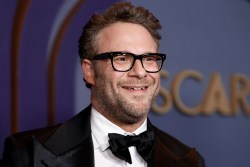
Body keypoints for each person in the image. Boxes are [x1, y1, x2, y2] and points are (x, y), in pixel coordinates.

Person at [1, 2, 205, 167]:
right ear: (89, 71)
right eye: (123, 58)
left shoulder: (188, 161)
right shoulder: (27, 154)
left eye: (149, 58)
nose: (141, 72)